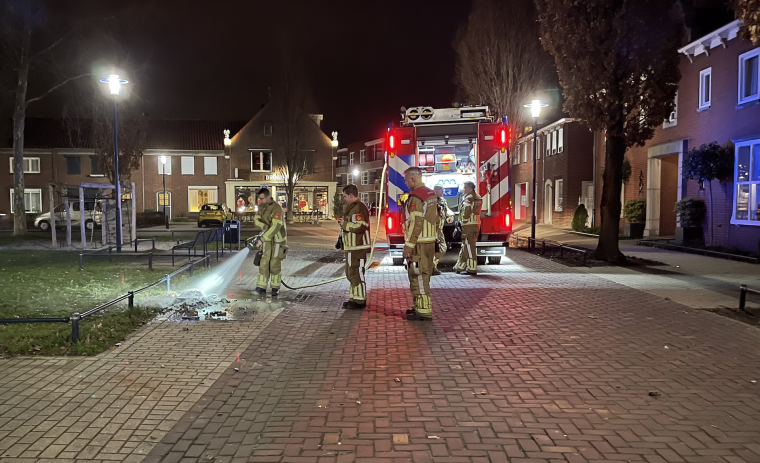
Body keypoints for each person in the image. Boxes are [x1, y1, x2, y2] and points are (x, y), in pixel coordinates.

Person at [402, 167, 438, 321]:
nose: (405, 183)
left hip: (419, 244)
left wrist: (409, 245)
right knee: (424, 274)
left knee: (418, 276)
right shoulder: (430, 194)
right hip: (428, 242)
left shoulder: (416, 197)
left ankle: (423, 311)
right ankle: (419, 306)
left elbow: (416, 222)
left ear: (413, 178)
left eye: (406, 180)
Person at [337, 184, 371, 310]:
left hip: (358, 247)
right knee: (351, 273)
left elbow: (361, 226)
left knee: (357, 273)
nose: (344, 199)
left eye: (345, 196)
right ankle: (354, 298)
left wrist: (345, 224)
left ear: (351, 195)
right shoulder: (352, 208)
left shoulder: (359, 208)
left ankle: (360, 300)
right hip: (351, 247)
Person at [253, 188, 287, 296]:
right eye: (259, 198)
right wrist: (263, 226)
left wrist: (262, 239)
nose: (260, 200)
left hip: (277, 240)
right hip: (267, 239)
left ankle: (275, 288)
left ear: (268, 197)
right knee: (264, 262)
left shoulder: (277, 208)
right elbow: (256, 220)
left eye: (262, 198)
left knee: (274, 263)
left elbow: (275, 227)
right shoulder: (261, 207)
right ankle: (261, 287)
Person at [454, 181, 482, 275]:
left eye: (465, 188)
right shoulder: (477, 197)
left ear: (470, 189)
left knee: (469, 247)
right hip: (475, 224)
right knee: (466, 245)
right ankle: (460, 266)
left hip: (468, 225)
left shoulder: (469, 198)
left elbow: (467, 210)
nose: (463, 189)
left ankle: (471, 268)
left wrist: (463, 221)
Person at [432, 185, 454, 275]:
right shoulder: (430, 201)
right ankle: (431, 267)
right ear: (436, 191)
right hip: (433, 229)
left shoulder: (442, 200)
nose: (443, 192)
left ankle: (432, 265)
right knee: (436, 249)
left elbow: (445, 209)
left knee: (442, 248)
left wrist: (450, 215)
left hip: (439, 229)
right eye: (442, 190)